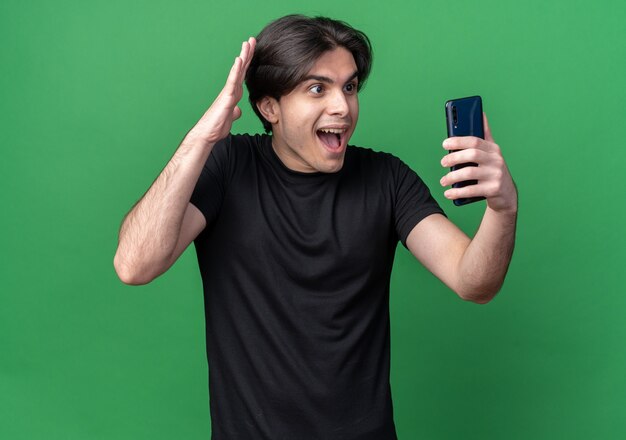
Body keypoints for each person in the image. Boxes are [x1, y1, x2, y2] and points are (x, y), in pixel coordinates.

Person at [113, 14, 517, 440]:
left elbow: (474, 283)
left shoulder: (386, 178)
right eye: (317, 88)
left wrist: (502, 209)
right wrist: (201, 139)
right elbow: (134, 265)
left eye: (349, 86)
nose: (342, 106)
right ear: (270, 107)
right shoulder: (229, 168)